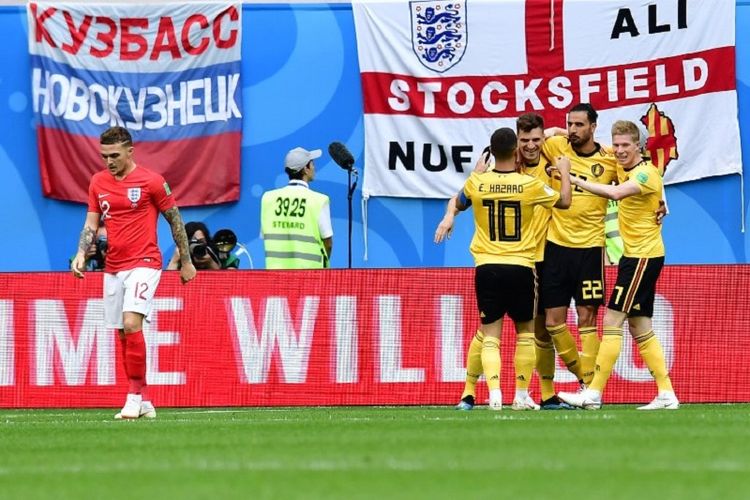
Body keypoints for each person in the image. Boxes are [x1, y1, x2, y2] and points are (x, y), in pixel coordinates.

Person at [435, 114, 578, 410]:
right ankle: (521, 394)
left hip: (487, 265)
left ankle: (494, 392)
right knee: (526, 333)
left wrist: (450, 215)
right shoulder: (528, 184)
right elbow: (564, 202)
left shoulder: (478, 182)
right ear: (515, 149)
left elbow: (459, 199)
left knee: (489, 334)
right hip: (523, 265)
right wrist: (565, 173)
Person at [70, 126, 196, 420]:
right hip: (113, 267)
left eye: (114, 155)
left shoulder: (152, 181)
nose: (109, 161)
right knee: (123, 333)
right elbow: (91, 223)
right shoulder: (97, 182)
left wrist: (186, 261)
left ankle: (133, 397)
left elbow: (175, 220)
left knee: (130, 323)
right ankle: (146, 399)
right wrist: (80, 253)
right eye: (104, 156)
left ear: (130, 151)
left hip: (145, 262)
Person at [558, 120, 678, 410]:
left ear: (640, 146)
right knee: (640, 327)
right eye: (618, 145)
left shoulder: (646, 173)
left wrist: (572, 179)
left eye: (627, 145)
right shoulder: (624, 162)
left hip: (642, 258)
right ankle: (666, 394)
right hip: (635, 256)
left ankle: (593, 394)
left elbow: (615, 193)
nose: (620, 151)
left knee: (612, 321)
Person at [541, 103, 618, 389]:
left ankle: (589, 390)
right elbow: (529, 139)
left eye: (579, 125)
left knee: (587, 318)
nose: (573, 130)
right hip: (555, 247)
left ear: (593, 127)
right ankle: (585, 378)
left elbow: (636, 177)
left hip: (590, 250)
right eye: (569, 124)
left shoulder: (610, 159)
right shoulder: (555, 145)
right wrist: (555, 130)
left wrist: (661, 202)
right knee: (552, 322)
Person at [261, 146, 333, 269]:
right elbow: (328, 243)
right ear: (305, 169)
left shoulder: (268, 198)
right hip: (310, 277)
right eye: (312, 164)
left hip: (276, 277)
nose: (314, 168)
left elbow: (266, 236)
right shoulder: (319, 200)